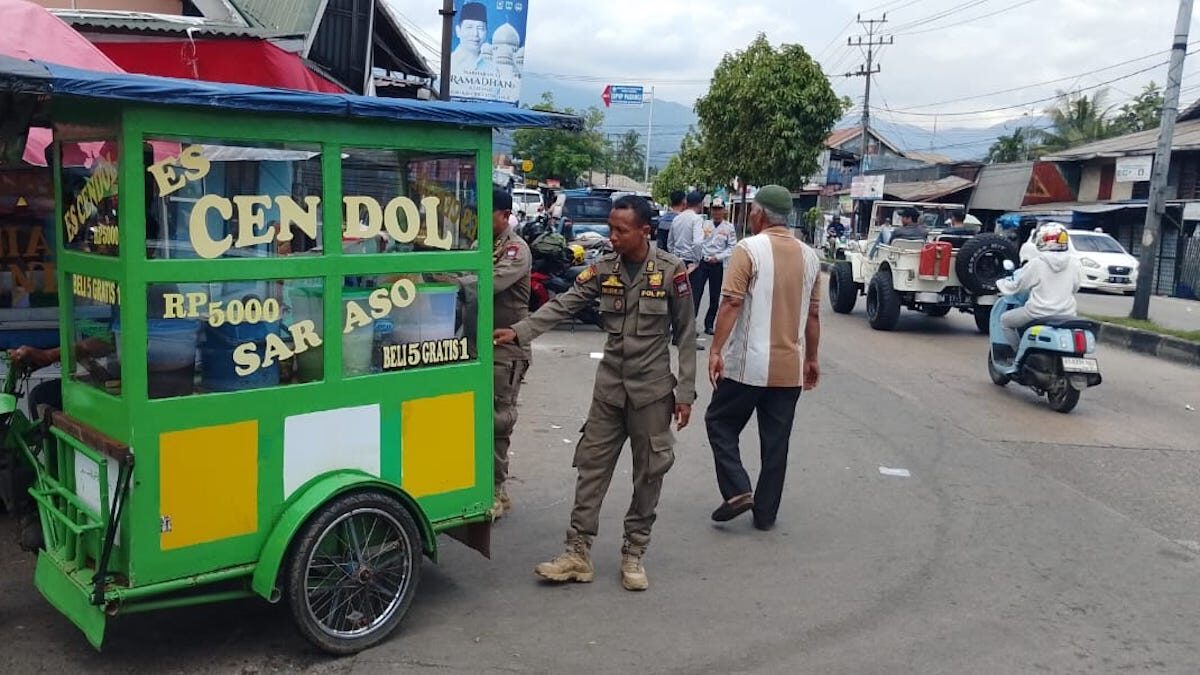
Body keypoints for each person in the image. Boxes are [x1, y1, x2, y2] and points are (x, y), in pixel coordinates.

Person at [494, 195, 697, 592]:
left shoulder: (671, 272)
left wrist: (685, 393)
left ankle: (634, 552)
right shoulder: (604, 268)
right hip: (609, 390)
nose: (613, 236)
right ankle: (577, 552)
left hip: (652, 394)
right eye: (611, 227)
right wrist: (521, 331)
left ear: (645, 230)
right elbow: (566, 303)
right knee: (591, 468)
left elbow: (687, 336)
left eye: (622, 230)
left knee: (649, 473)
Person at [705, 185, 822, 532]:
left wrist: (715, 350)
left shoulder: (748, 249)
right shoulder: (810, 256)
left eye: (752, 211)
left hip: (748, 366)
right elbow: (813, 316)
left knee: (719, 422)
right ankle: (766, 514)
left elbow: (731, 303)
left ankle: (738, 489)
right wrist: (812, 359)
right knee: (776, 442)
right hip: (789, 369)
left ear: (759, 214)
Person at [490, 189, 533, 519]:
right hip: (479, 345)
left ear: (504, 215)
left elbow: (490, 283)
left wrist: (448, 278)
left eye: (487, 213)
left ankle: (496, 489)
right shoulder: (481, 245)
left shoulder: (515, 249)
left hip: (507, 348)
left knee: (498, 421)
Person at [996, 222, 1081, 350]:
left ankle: (1018, 354)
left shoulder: (1037, 263)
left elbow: (1018, 285)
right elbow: (1075, 288)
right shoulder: (1074, 264)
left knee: (1005, 320)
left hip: (1037, 313)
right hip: (1067, 314)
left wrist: (1000, 283)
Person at [693, 198, 736, 335]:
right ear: (711, 210)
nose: (717, 212)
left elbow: (731, 247)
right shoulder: (704, 224)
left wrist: (717, 257)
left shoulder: (729, 228)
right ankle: (692, 323)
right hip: (703, 263)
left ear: (724, 210)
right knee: (696, 294)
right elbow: (698, 243)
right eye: (714, 209)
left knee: (714, 296)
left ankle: (709, 324)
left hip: (717, 264)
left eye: (719, 209)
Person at [450, 2, 495, 74]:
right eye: (469, 27)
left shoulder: (492, 70)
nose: (475, 34)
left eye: (480, 28)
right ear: (458, 31)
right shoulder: (450, 63)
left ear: (486, 32)